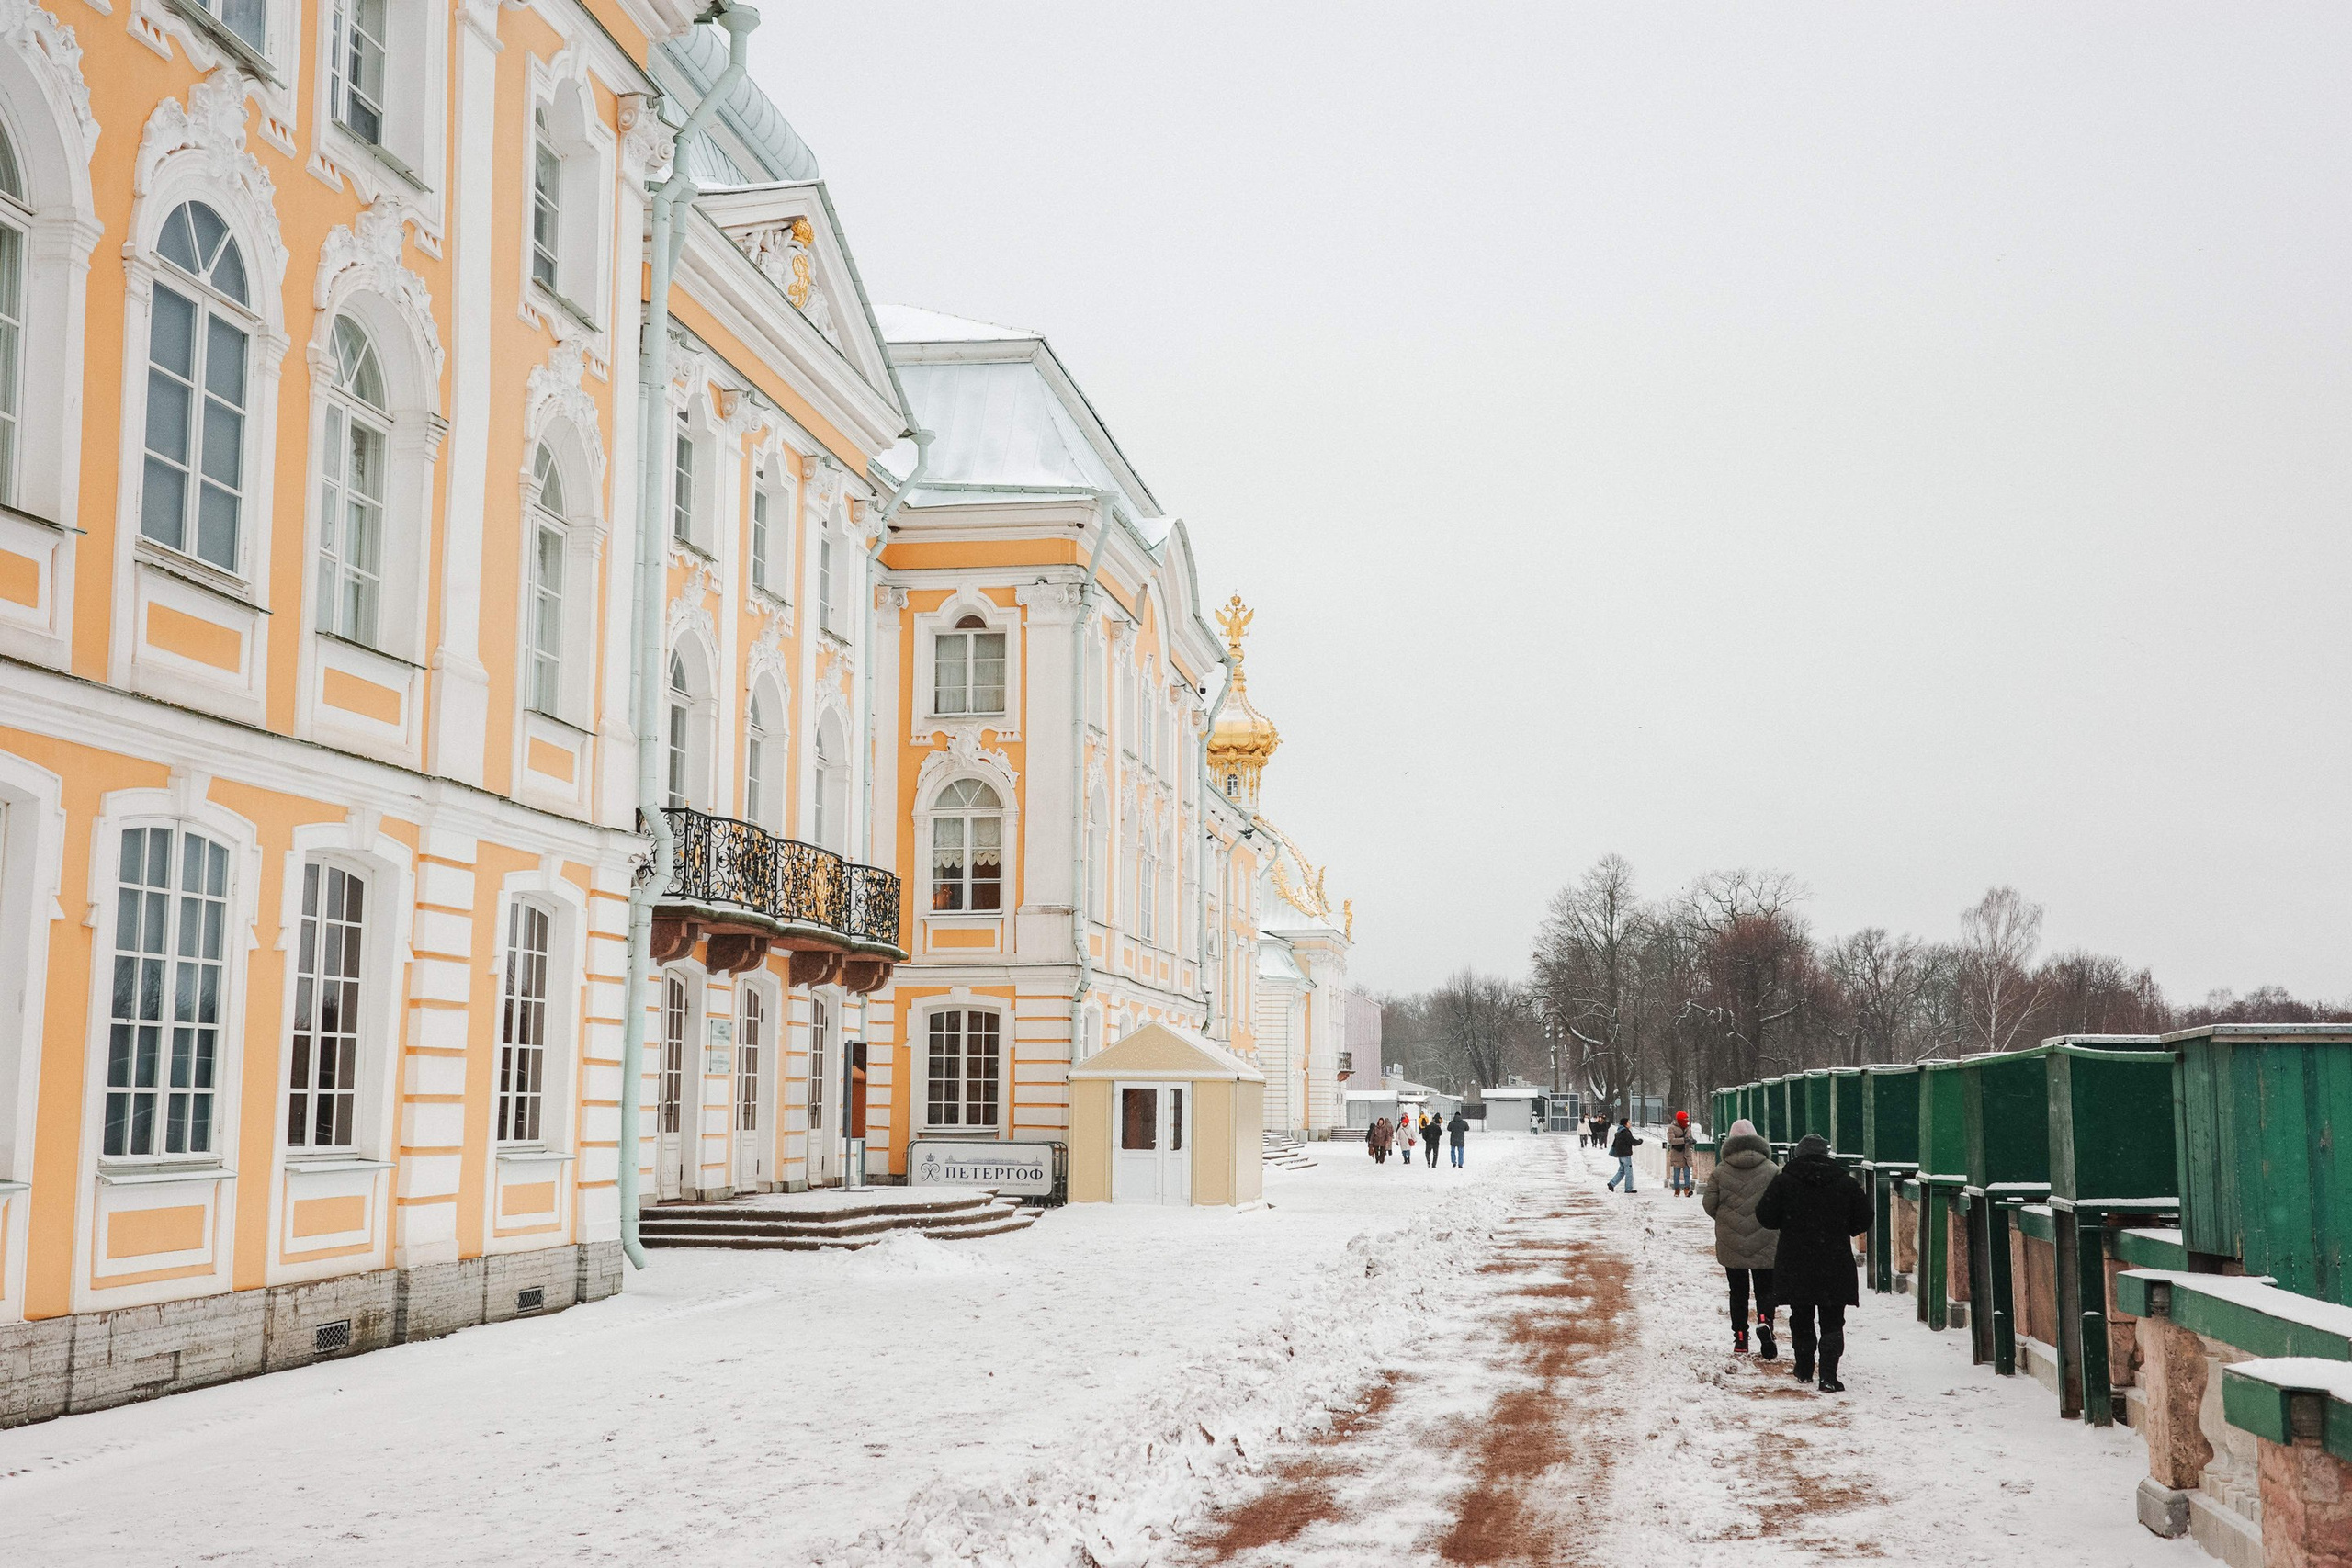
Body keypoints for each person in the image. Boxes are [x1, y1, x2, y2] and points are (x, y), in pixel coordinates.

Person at [1755, 1132, 1872, 1393]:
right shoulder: (1845, 1183)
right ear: (1826, 1155)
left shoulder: (1784, 1182)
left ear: (1798, 1155)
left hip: (1795, 1261)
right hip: (1835, 1261)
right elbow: (1864, 1218)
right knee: (1833, 1319)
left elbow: (1765, 1216)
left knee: (1801, 1316)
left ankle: (1804, 1368)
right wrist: (1844, 1229)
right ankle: (1828, 1375)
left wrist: (1788, 1223)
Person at [1702, 1116, 1781, 1357]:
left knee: (1737, 1291)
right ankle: (1765, 1321)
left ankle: (1740, 1338)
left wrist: (1727, 1220)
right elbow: (1781, 1203)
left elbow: (1709, 1204)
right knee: (1765, 1289)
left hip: (1732, 1241)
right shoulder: (1772, 1170)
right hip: (1766, 1238)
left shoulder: (1720, 1171)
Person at [1606, 1118, 1641, 1192]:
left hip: (1620, 1154)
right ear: (1625, 1124)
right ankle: (1628, 1188)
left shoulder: (1619, 1132)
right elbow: (1632, 1141)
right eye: (1629, 1122)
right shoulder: (1625, 1132)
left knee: (1622, 1171)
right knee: (1629, 1172)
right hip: (1625, 1154)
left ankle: (1612, 1183)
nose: (1630, 1124)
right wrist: (1640, 1141)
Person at [1666, 1111, 1696, 1197]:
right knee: (1676, 1174)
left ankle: (1687, 1190)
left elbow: (1690, 1137)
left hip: (1686, 1154)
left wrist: (1692, 1141)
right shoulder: (1672, 1128)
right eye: (1685, 1119)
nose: (1687, 1121)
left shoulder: (1688, 1128)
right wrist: (1684, 1140)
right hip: (1677, 1154)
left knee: (1687, 1174)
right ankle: (1677, 1190)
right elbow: (1671, 1140)